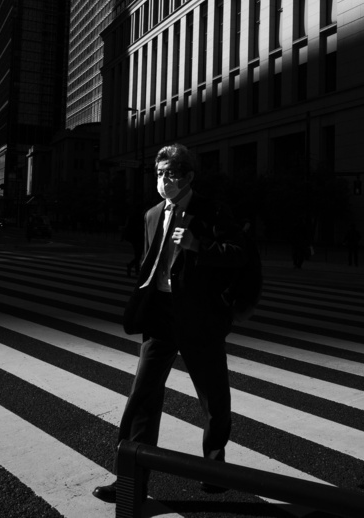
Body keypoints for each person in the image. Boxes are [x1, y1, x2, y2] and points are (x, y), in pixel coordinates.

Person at [93, 143, 253, 502]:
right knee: (142, 397)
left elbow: (240, 254)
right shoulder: (152, 215)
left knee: (213, 398)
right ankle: (130, 480)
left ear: (189, 177)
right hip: (161, 315)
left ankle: (215, 467)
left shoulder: (211, 211)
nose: (164, 180)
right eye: (159, 174)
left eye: (172, 174)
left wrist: (200, 245)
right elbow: (152, 261)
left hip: (200, 317)